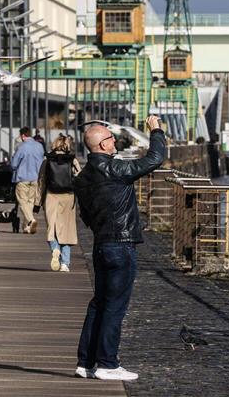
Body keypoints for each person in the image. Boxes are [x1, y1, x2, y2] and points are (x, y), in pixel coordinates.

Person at [73, 115, 166, 381]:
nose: (115, 140)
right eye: (111, 138)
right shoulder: (116, 170)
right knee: (115, 306)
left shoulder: (82, 179)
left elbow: (87, 216)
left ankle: (85, 363)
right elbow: (154, 159)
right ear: (102, 145)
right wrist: (156, 131)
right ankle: (107, 364)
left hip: (102, 244)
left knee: (98, 304)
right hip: (121, 245)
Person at [37, 134, 81, 273]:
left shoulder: (47, 160)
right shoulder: (72, 160)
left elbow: (41, 182)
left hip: (51, 196)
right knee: (66, 231)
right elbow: (80, 178)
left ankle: (55, 248)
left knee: (52, 228)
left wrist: (37, 203)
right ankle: (65, 264)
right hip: (68, 197)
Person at [10, 126, 45, 234]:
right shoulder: (39, 146)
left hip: (23, 178)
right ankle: (27, 227)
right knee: (30, 202)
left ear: (22, 135)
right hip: (36, 178)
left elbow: (14, 164)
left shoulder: (22, 146)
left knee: (22, 202)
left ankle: (31, 220)